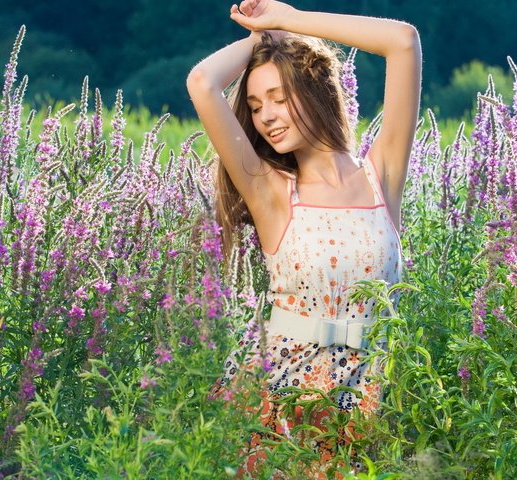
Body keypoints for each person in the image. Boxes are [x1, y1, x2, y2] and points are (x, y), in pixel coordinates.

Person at [186, 0, 421, 476]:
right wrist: (260, 39)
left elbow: (403, 42)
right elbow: (202, 83)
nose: (265, 117)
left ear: (315, 88)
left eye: (277, 97)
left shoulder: (382, 178)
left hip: (370, 390)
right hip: (283, 389)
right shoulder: (269, 190)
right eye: (254, 106)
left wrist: (288, 22)